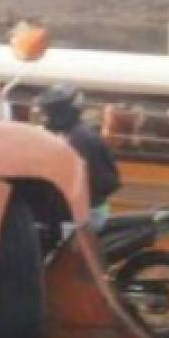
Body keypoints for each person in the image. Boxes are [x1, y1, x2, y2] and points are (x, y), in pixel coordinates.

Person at [36, 83, 121, 231]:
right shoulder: (67, 135)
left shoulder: (80, 139)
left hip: (82, 216)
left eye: (52, 111)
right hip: (79, 211)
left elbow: (106, 182)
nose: (47, 117)